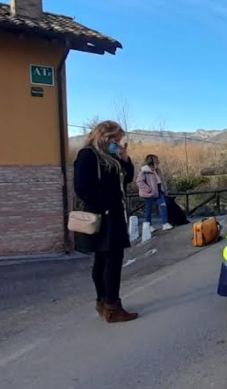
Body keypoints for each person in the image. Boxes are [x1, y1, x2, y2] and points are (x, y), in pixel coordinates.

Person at [73, 120, 138, 323]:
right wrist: (104, 208)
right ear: (105, 137)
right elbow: (82, 188)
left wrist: (125, 159)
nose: (118, 144)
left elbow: (126, 179)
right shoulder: (88, 155)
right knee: (110, 261)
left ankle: (104, 303)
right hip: (104, 217)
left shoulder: (110, 156)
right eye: (116, 140)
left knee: (104, 260)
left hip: (113, 216)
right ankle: (111, 305)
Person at [136, 154, 173, 232]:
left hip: (159, 190)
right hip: (150, 192)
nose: (158, 163)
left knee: (163, 206)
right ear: (152, 162)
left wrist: (164, 190)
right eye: (157, 161)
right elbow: (139, 182)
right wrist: (148, 189)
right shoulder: (144, 171)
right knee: (149, 209)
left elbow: (162, 181)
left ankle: (165, 223)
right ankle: (148, 226)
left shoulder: (158, 170)